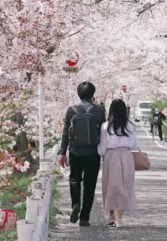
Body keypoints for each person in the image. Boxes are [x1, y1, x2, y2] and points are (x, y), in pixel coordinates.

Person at [59, 82, 106, 227]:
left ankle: (76, 204)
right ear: (93, 94)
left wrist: (62, 153)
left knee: (74, 179)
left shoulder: (71, 110)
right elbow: (103, 133)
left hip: (75, 151)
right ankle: (84, 217)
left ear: (78, 94)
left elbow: (66, 132)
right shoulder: (99, 111)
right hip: (93, 152)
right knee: (89, 184)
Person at [98, 99, 138, 228]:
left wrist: (101, 154)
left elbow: (102, 147)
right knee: (125, 186)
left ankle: (111, 216)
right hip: (126, 156)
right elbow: (134, 145)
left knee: (110, 186)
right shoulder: (130, 126)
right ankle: (120, 218)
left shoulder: (105, 126)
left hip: (110, 156)